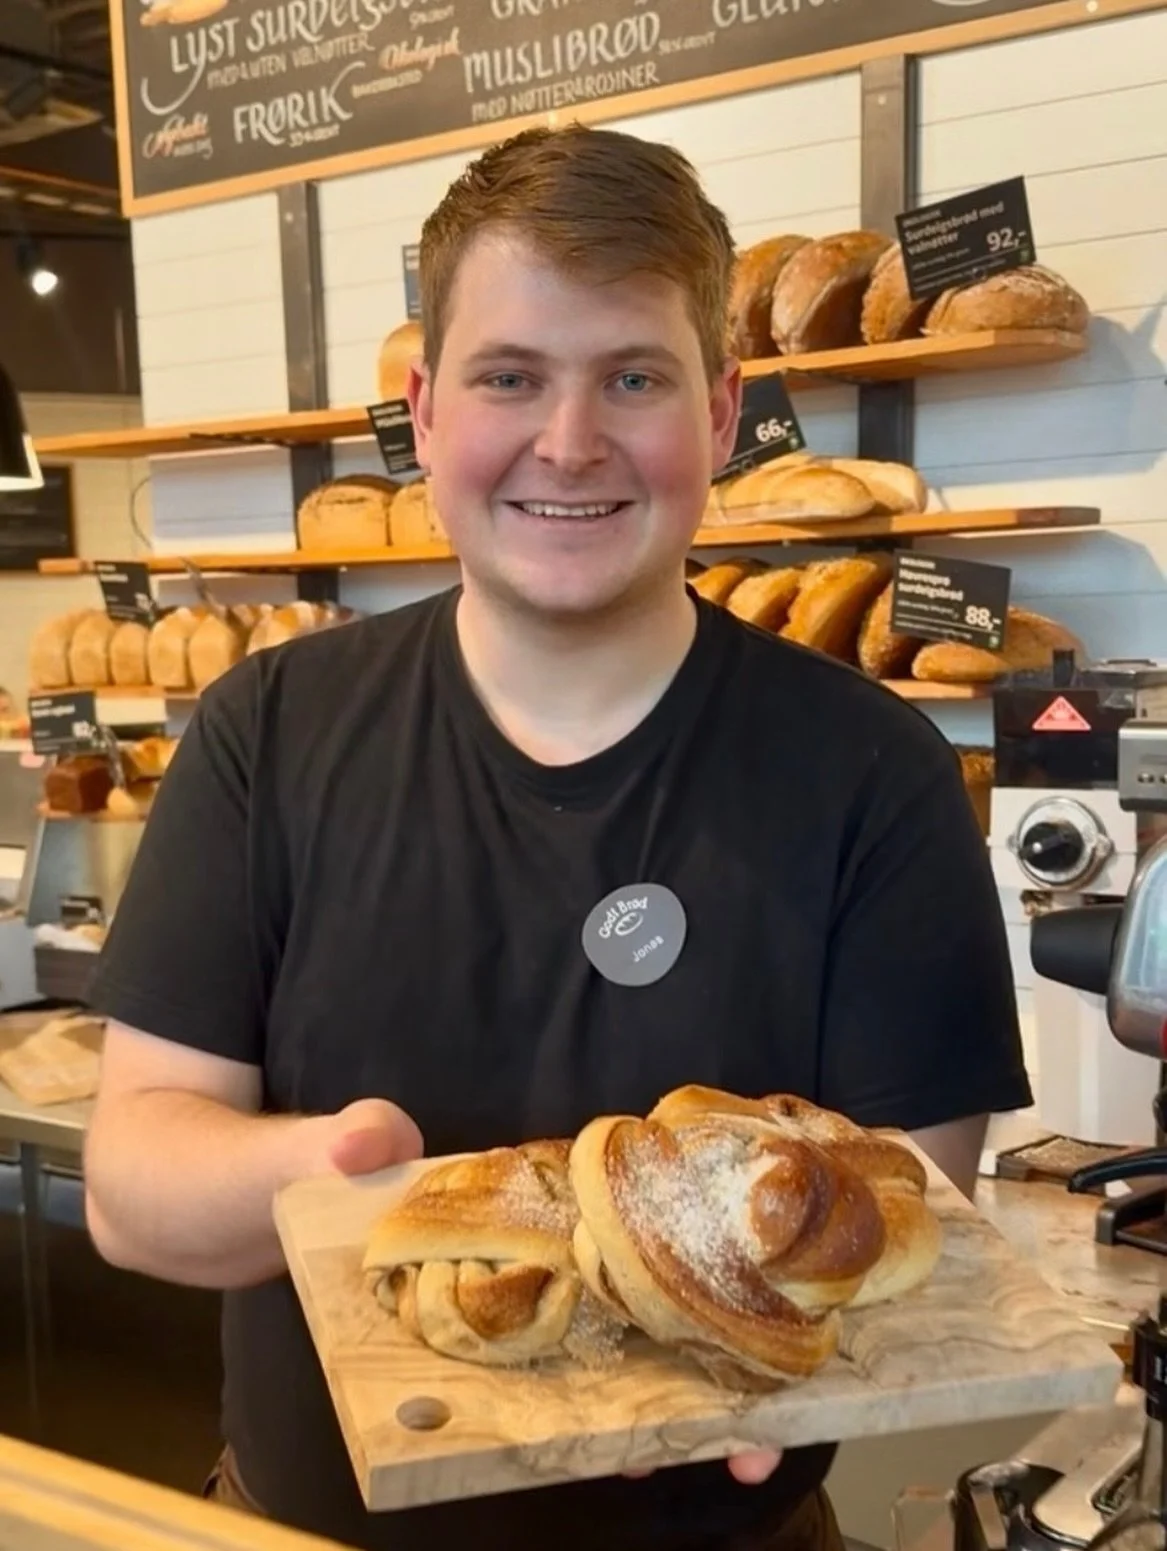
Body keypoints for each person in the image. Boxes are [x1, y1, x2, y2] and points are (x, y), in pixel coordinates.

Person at [82, 124, 1032, 1551]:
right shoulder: (264, 733)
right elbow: (131, 1182)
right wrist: (355, 1176)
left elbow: (907, 1208)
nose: (569, 443)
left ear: (717, 415)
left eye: (632, 379)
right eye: (510, 377)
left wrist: (751, 1329)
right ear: (422, 409)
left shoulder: (872, 771)